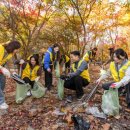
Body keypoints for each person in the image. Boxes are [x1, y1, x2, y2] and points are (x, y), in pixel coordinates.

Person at [0, 41, 21, 109]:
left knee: (2, 84)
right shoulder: (1, 48)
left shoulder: (10, 53)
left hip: (1, 68)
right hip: (1, 68)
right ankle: (1, 102)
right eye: (16, 49)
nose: (17, 51)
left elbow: (10, 63)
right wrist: (2, 68)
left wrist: (13, 72)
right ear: (12, 47)